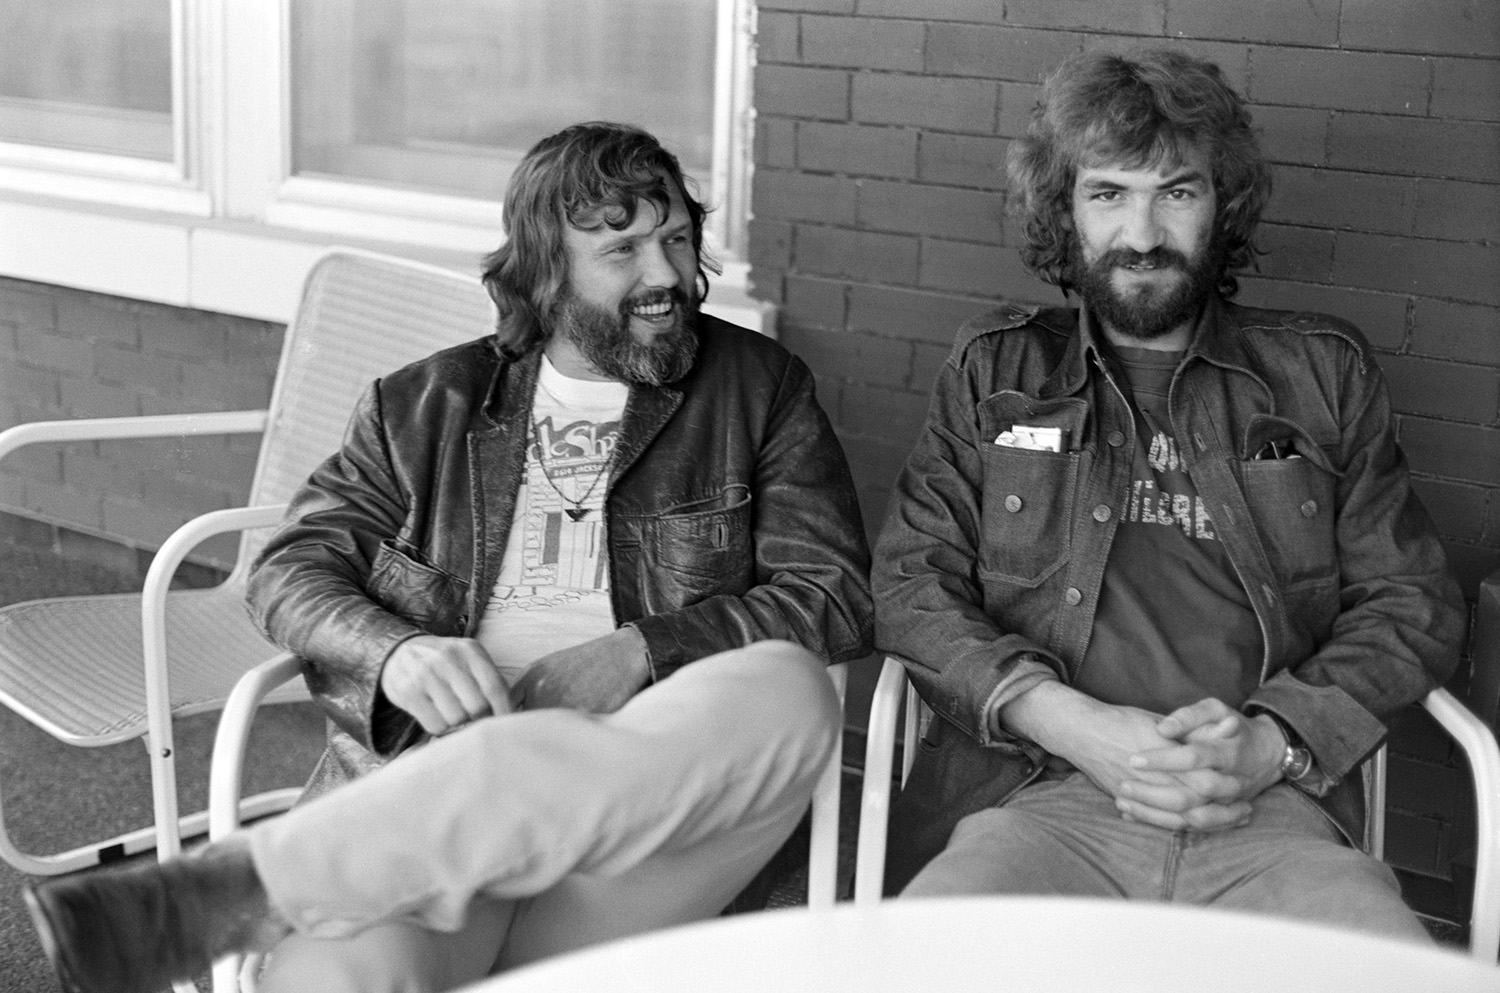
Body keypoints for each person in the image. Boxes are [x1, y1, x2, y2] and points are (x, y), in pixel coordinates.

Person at [26, 121, 872, 993]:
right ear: (547, 271)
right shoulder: (423, 404)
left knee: (788, 690)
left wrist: (636, 653)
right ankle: (278, 890)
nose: (663, 276)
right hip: (429, 811)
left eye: (677, 239)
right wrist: (398, 652)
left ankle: (251, 887)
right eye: (622, 250)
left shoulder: (760, 390)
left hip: (638, 818)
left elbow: (834, 595)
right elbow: (291, 567)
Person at [872, 49, 1464, 938]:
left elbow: (1411, 602)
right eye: (1108, 193)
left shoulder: (1322, 374)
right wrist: (1074, 726)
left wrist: (1272, 739)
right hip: (1039, 800)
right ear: (1063, 210)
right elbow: (912, 585)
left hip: (1268, 814)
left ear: (1222, 203)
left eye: (1176, 192)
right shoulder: (995, 371)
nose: (1143, 233)